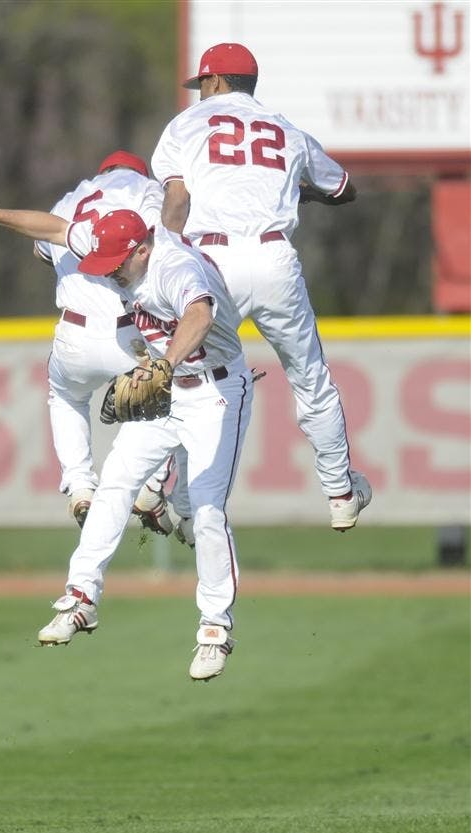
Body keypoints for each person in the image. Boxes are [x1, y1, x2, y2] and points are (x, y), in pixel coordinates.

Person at [151, 42, 372, 531]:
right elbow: (344, 189)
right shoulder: (286, 129)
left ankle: (172, 498)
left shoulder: (186, 125)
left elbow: (176, 199)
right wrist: (303, 192)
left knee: (200, 383)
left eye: (202, 83)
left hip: (212, 260)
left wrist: (168, 259)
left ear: (214, 82)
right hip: (274, 257)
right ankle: (339, 491)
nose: (199, 91)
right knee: (311, 380)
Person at [39, 209, 254, 681]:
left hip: (216, 391)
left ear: (142, 250)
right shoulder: (121, 255)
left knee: (207, 508)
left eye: (118, 260)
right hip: (169, 388)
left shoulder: (173, 268)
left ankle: (215, 628)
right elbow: (54, 230)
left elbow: (198, 313)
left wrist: (166, 363)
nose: (110, 268)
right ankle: (80, 598)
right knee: (115, 483)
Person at [0, 152, 189, 541]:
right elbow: (169, 237)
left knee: (64, 396)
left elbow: (42, 248)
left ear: (103, 173)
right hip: (130, 335)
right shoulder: (148, 191)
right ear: (139, 172)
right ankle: (156, 490)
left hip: (73, 334)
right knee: (181, 397)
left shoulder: (72, 199)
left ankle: (80, 486)